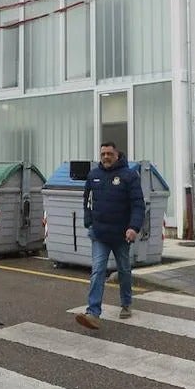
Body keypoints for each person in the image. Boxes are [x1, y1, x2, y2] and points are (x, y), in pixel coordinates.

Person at [75, 141, 145, 330]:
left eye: (109, 154)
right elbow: (87, 201)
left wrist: (134, 227)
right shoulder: (93, 175)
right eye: (103, 154)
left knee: (123, 270)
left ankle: (126, 303)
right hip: (99, 234)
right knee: (97, 270)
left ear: (117, 155)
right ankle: (93, 313)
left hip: (122, 235)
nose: (106, 157)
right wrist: (88, 220)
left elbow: (138, 205)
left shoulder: (129, 176)